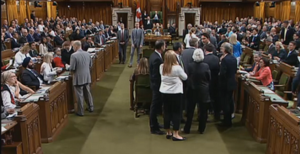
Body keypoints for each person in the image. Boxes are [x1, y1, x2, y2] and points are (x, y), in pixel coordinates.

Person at [160, 50, 187, 141]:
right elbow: (185, 77)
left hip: (164, 92)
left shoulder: (161, 67)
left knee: (167, 112)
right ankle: (176, 134)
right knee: (176, 113)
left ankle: (168, 132)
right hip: (176, 93)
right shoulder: (177, 68)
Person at [183, 48, 210, 134]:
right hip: (203, 91)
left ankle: (187, 129)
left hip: (192, 90)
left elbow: (187, 77)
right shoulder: (206, 66)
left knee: (190, 111)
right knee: (203, 111)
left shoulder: (190, 66)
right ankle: (201, 129)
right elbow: (209, 78)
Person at [69, 41, 94, 116]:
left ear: (76, 46)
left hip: (78, 77)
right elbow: (90, 65)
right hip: (86, 76)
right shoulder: (87, 53)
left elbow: (72, 68)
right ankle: (91, 107)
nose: (73, 48)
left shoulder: (74, 55)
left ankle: (80, 111)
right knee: (87, 92)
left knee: (79, 95)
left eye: (73, 46)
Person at [218, 42, 237, 127]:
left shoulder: (224, 60)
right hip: (232, 82)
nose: (221, 49)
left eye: (222, 48)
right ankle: (228, 120)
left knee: (225, 103)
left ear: (225, 50)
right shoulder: (233, 58)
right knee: (229, 101)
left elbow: (222, 73)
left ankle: (226, 122)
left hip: (225, 84)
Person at [149, 40, 165, 135]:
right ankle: (153, 127)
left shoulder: (153, 55)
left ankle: (156, 124)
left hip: (154, 85)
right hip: (157, 86)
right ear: (162, 47)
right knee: (154, 107)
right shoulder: (157, 59)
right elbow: (156, 75)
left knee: (156, 106)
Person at [203, 44, 220, 121]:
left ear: (205, 50)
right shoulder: (217, 58)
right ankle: (215, 115)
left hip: (205, 82)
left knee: (205, 99)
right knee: (214, 98)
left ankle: (205, 115)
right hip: (215, 82)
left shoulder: (204, 59)